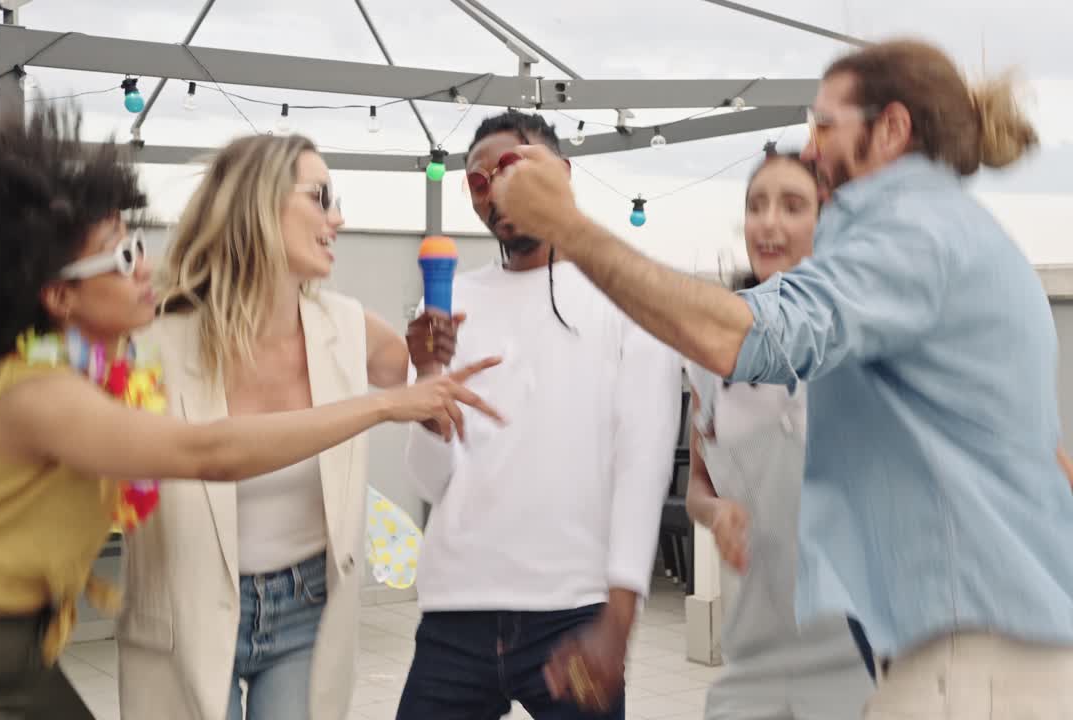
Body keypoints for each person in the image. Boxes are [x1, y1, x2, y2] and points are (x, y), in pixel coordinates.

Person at [0, 106, 501, 720]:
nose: (149, 267)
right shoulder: (60, 383)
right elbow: (204, 451)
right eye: (127, 256)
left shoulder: (86, 357)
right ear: (58, 295)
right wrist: (384, 405)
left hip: (31, 647)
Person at [494, 40, 1073, 717]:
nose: (811, 145)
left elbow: (737, 336)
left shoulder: (912, 234)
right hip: (970, 655)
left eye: (826, 124)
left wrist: (565, 223)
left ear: (891, 129)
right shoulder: (955, 234)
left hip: (973, 667)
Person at [115, 133, 438, 720]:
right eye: (321, 196)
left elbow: (409, 374)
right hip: (182, 610)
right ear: (258, 204)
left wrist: (432, 352)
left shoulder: (344, 324)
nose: (337, 216)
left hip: (306, 608)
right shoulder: (154, 337)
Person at [396, 110, 681, 720]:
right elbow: (431, 480)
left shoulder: (627, 293)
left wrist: (620, 617)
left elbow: (644, 461)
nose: (496, 190)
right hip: (456, 612)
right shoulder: (448, 303)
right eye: (478, 181)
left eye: (512, 169)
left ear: (564, 176)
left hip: (574, 610)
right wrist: (425, 385)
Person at [686, 148, 871, 720]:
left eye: (793, 206)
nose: (768, 223)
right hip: (751, 660)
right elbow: (698, 487)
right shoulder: (712, 353)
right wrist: (716, 515)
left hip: (865, 661)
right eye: (756, 205)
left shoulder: (869, 342)